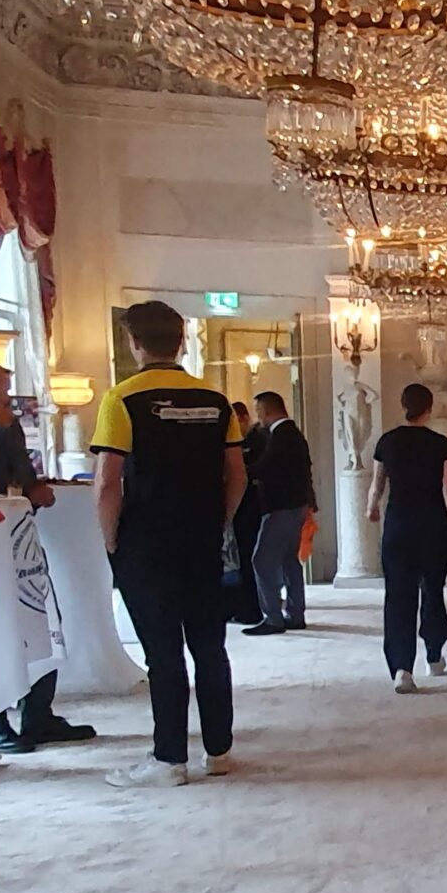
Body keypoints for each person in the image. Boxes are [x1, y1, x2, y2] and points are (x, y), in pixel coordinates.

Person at [93, 300, 248, 789]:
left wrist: (110, 539)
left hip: (147, 540)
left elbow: (107, 481)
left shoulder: (122, 399)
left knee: (163, 651)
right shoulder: (216, 400)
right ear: (181, 342)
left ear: (134, 344)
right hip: (201, 537)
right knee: (209, 645)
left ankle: (169, 758)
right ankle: (218, 750)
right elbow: (237, 474)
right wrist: (220, 519)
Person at [0, 352, 95, 753]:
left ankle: (38, 713)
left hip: (18, 533)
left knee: (37, 616)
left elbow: (20, 470)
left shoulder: (5, 422)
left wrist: (33, 487)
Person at [365, 383, 447, 693]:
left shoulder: (387, 441)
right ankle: (434, 655)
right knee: (433, 591)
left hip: (398, 527)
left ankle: (402, 669)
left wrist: (372, 508)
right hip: (433, 527)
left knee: (399, 597)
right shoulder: (441, 444)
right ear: (430, 408)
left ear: (403, 406)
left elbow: (377, 485)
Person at [242, 389, 317, 635]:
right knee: (288, 559)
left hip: (281, 507)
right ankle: (295, 614)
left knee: (261, 559)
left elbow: (266, 467)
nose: (258, 417)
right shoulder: (291, 433)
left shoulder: (282, 435)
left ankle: (273, 618)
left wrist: (238, 471)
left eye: (258, 411)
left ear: (266, 410)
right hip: (295, 505)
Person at [227, 399, 263, 625]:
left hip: (251, 510)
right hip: (241, 511)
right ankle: (240, 605)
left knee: (250, 558)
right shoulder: (238, 443)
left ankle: (252, 608)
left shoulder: (256, 441)